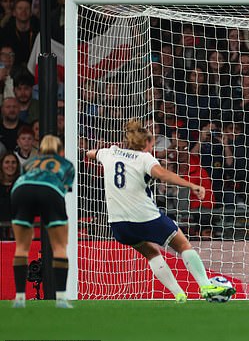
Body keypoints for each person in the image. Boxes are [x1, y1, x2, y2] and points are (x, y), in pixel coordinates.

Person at [86, 119, 235, 303]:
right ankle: (205, 286)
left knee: (151, 253)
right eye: (151, 143)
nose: (152, 147)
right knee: (183, 245)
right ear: (146, 144)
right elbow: (163, 174)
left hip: (119, 224)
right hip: (145, 217)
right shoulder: (144, 158)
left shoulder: (109, 153)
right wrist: (191, 185)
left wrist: (104, 151)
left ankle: (179, 294)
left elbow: (90, 153)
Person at [10, 135, 74, 308]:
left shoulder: (29, 163)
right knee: (59, 247)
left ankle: (20, 298)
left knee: (22, 247)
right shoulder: (66, 164)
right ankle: (61, 299)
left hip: (20, 190)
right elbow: (65, 189)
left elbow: (29, 183)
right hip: (50, 190)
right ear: (60, 150)